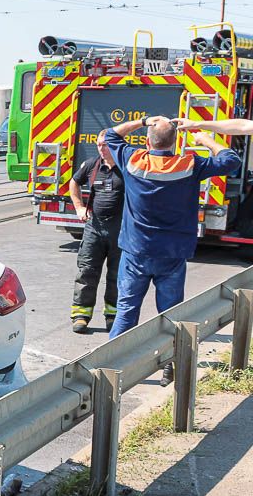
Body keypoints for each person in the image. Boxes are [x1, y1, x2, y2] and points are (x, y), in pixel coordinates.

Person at [101, 115, 242, 382]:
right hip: (173, 254)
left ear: (146, 141)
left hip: (136, 253)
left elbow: (110, 134)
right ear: (176, 141)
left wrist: (143, 120)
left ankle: (112, 370)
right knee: (171, 315)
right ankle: (170, 365)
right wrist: (204, 138)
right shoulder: (189, 164)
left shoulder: (133, 160)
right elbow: (230, 161)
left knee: (126, 312)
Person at [68, 135, 123, 334]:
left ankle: (113, 316)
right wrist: (79, 208)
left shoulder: (126, 167)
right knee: (86, 271)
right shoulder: (92, 165)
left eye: (105, 145)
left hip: (120, 230)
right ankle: (81, 315)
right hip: (94, 228)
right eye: (99, 145)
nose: (101, 148)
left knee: (117, 275)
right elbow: (73, 183)